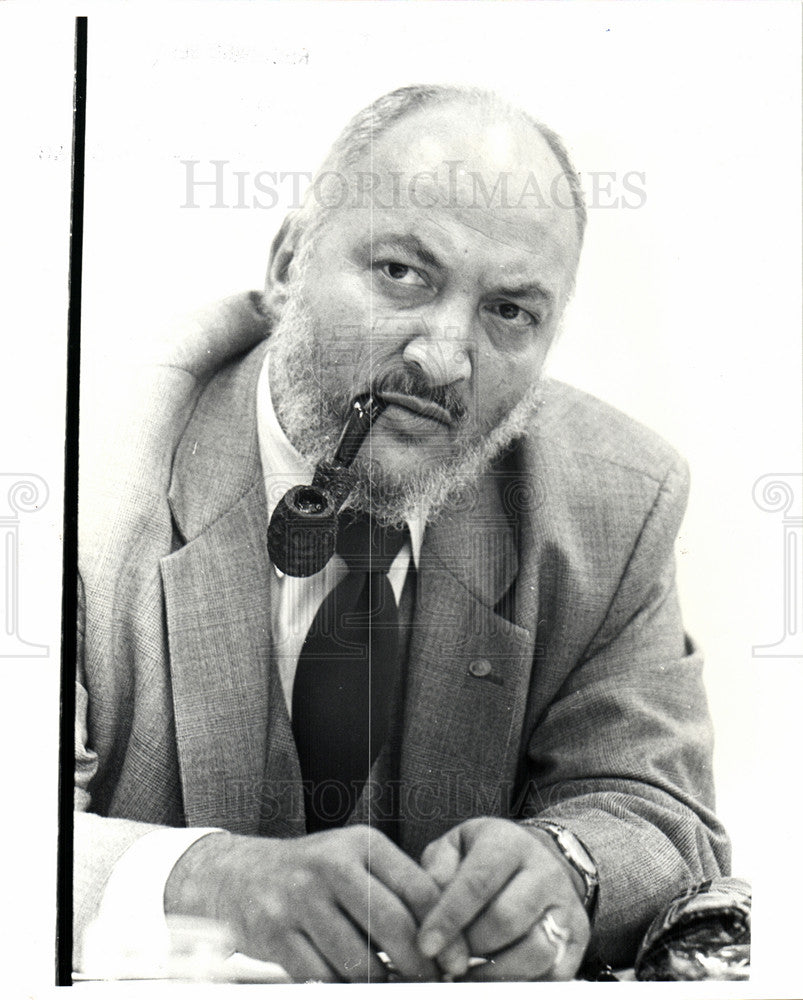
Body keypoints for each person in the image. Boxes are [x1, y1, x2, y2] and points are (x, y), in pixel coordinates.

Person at [75, 84, 730, 982]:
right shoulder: (72, 461)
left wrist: (564, 872)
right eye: (401, 274)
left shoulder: (616, 502)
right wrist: (209, 884)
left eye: (509, 312)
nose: (441, 359)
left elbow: (658, 814)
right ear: (288, 261)